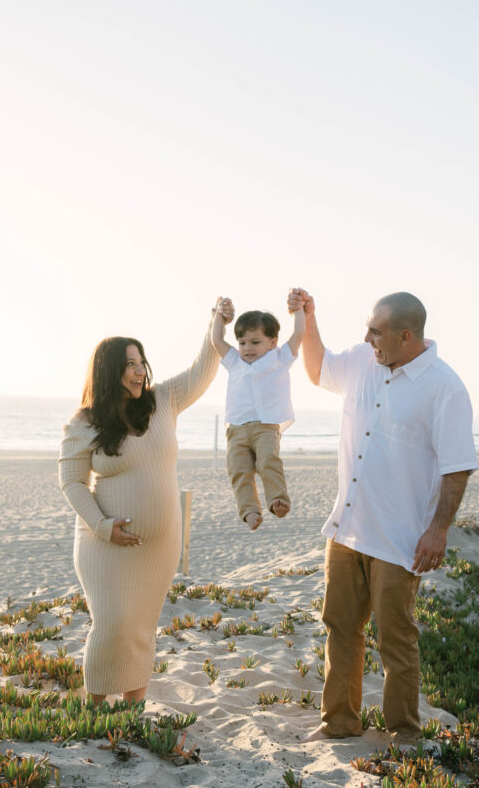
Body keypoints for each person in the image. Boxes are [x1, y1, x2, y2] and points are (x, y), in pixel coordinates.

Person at [293, 287, 477, 742]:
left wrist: (438, 530)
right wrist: (309, 320)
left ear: (406, 336)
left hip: (400, 537)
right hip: (348, 528)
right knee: (339, 628)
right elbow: (316, 370)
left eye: (376, 331)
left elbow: (457, 467)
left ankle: (404, 732)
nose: (367, 337)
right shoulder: (362, 361)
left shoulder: (445, 387)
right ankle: (338, 722)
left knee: (395, 638)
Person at [58, 303, 225, 703]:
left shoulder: (163, 400)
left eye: (141, 362)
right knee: (112, 624)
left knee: (141, 626)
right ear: (107, 371)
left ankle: (133, 708)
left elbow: (202, 369)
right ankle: (96, 706)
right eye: (129, 364)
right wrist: (103, 525)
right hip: (103, 544)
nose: (139, 371)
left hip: (159, 544)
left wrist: (216, 323)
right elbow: (72, 483)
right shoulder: (84, 422)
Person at [211, 295, 304, 530]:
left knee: (268, 461)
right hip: (236, 429)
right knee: (238, 470)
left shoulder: (280, 358)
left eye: (255, 342)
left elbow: (298, 335)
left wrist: (298, 311)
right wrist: (220, 317)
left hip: (266, 426)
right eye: (242, 342)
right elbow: (216, 339)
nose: (247, 348)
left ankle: (277, 499)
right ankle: (250, 511)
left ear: (272, 342)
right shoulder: (234, 361)